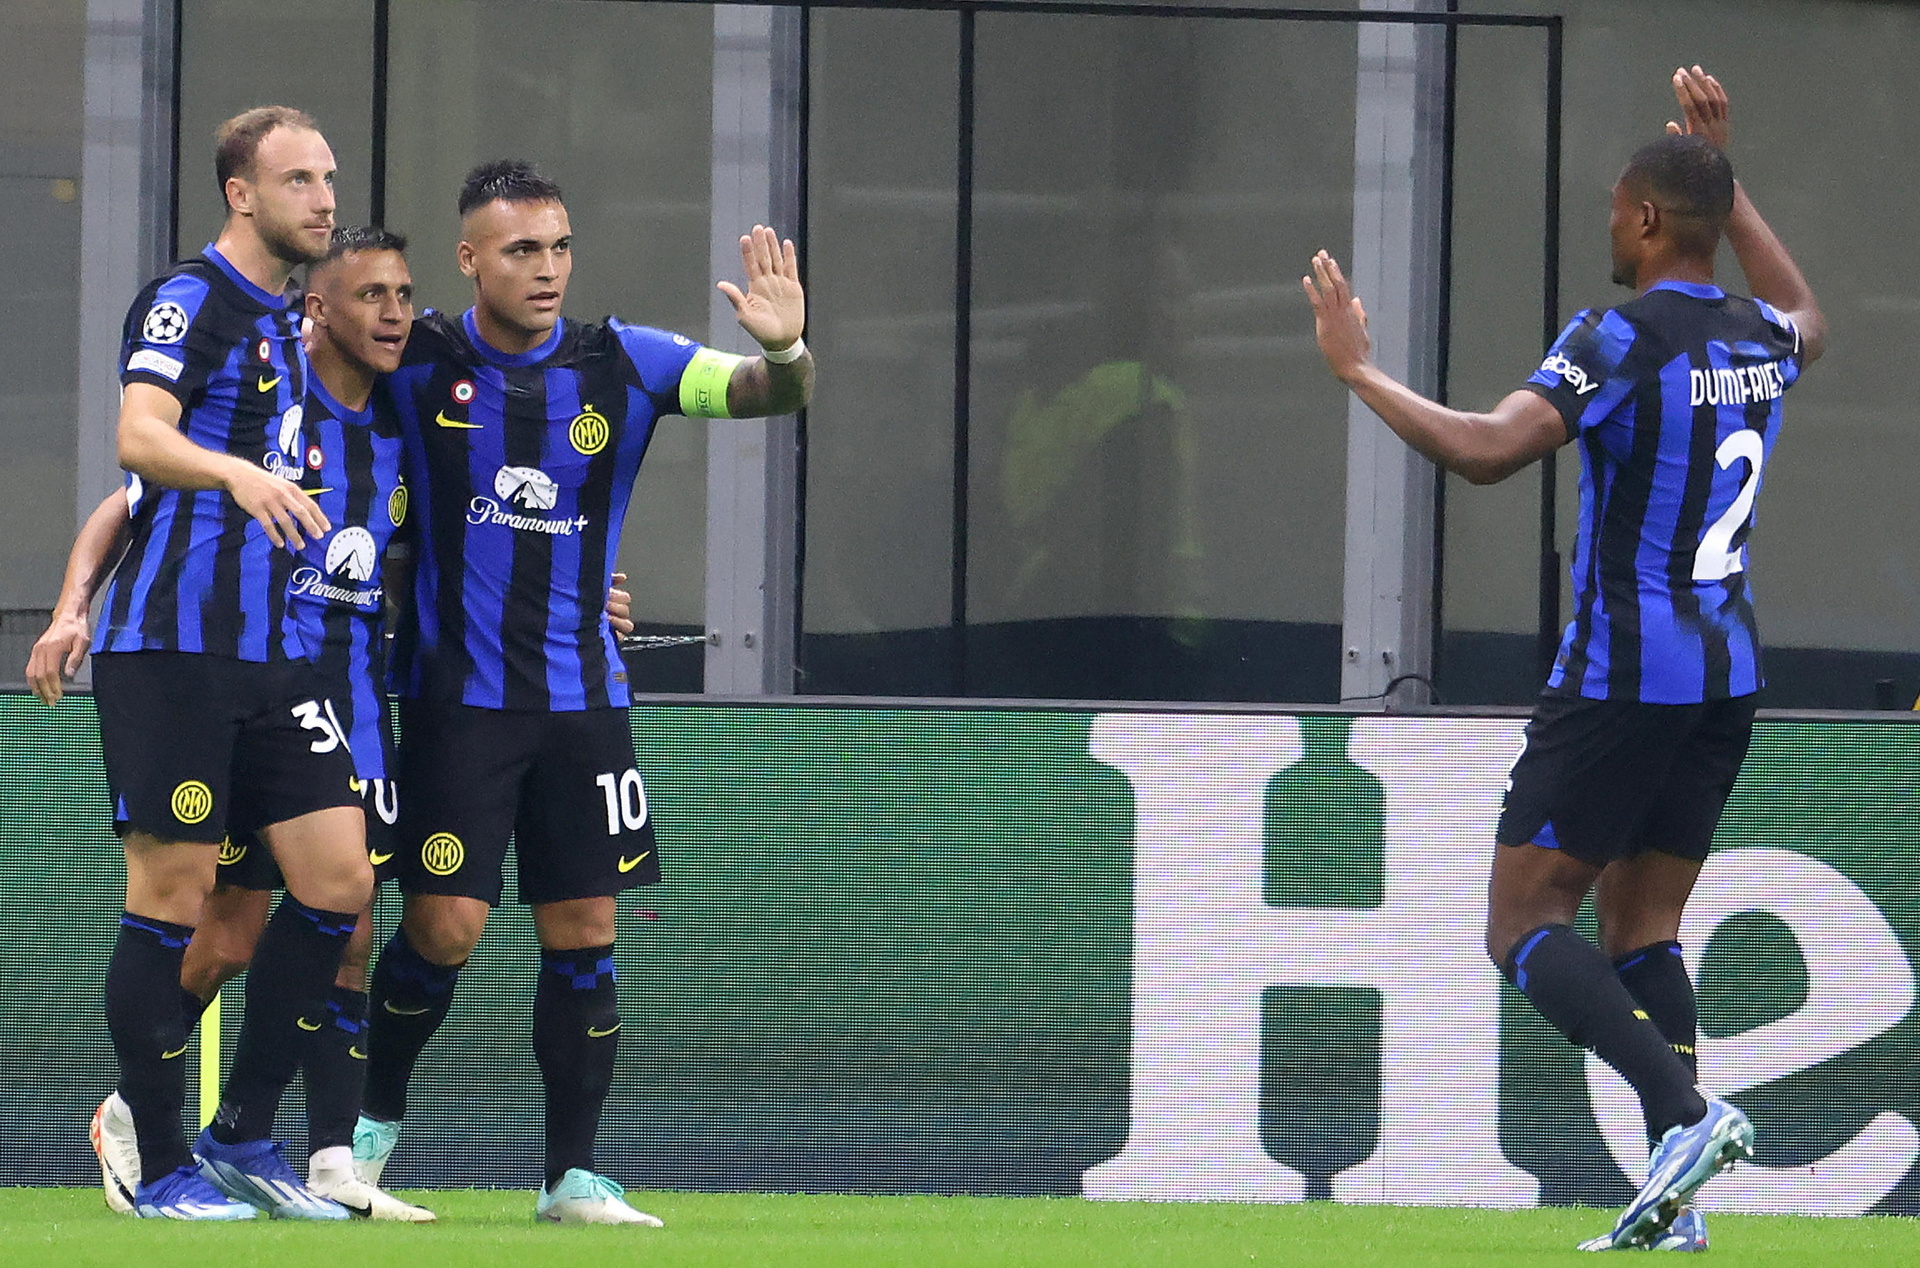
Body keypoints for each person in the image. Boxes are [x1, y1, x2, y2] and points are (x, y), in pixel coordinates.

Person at [1302, 67, 1823, 1251]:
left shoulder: (1619, 337)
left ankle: (1688, 1113)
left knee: (1522, 921)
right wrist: (1726, 180)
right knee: (1644, 931)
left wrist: (1359, 371)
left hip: (1623, 676)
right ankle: (1677, 1198)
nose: (1608, 226)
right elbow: (1810, 312)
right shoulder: (1760, 335)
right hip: (1725, 678)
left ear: (1646, 218)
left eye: (1615, 210)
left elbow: (1491, 449)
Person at [355, 159, 811, 1226]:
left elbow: (767, 394)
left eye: (560, 246)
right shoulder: (417, 356)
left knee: (586, 927)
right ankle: (364, 1136)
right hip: (457, 702)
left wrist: (786, 348)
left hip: (585, 704)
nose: (548, 267)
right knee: (445, 928)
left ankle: (571, 1176)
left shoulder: (628, 361)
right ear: (470, 259)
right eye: (522, 249)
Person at [80, 105, 377, 1221]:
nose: (325, 199)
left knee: (341, 882)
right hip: (172, 647)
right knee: (176, 892)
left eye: (329, 177)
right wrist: (236, 474)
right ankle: (151, 1159)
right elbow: (139, 438)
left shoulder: (290, 322)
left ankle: (242, 1131)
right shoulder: (189, 298)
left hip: (275, 653)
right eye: (299, 179)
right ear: (241, 194)